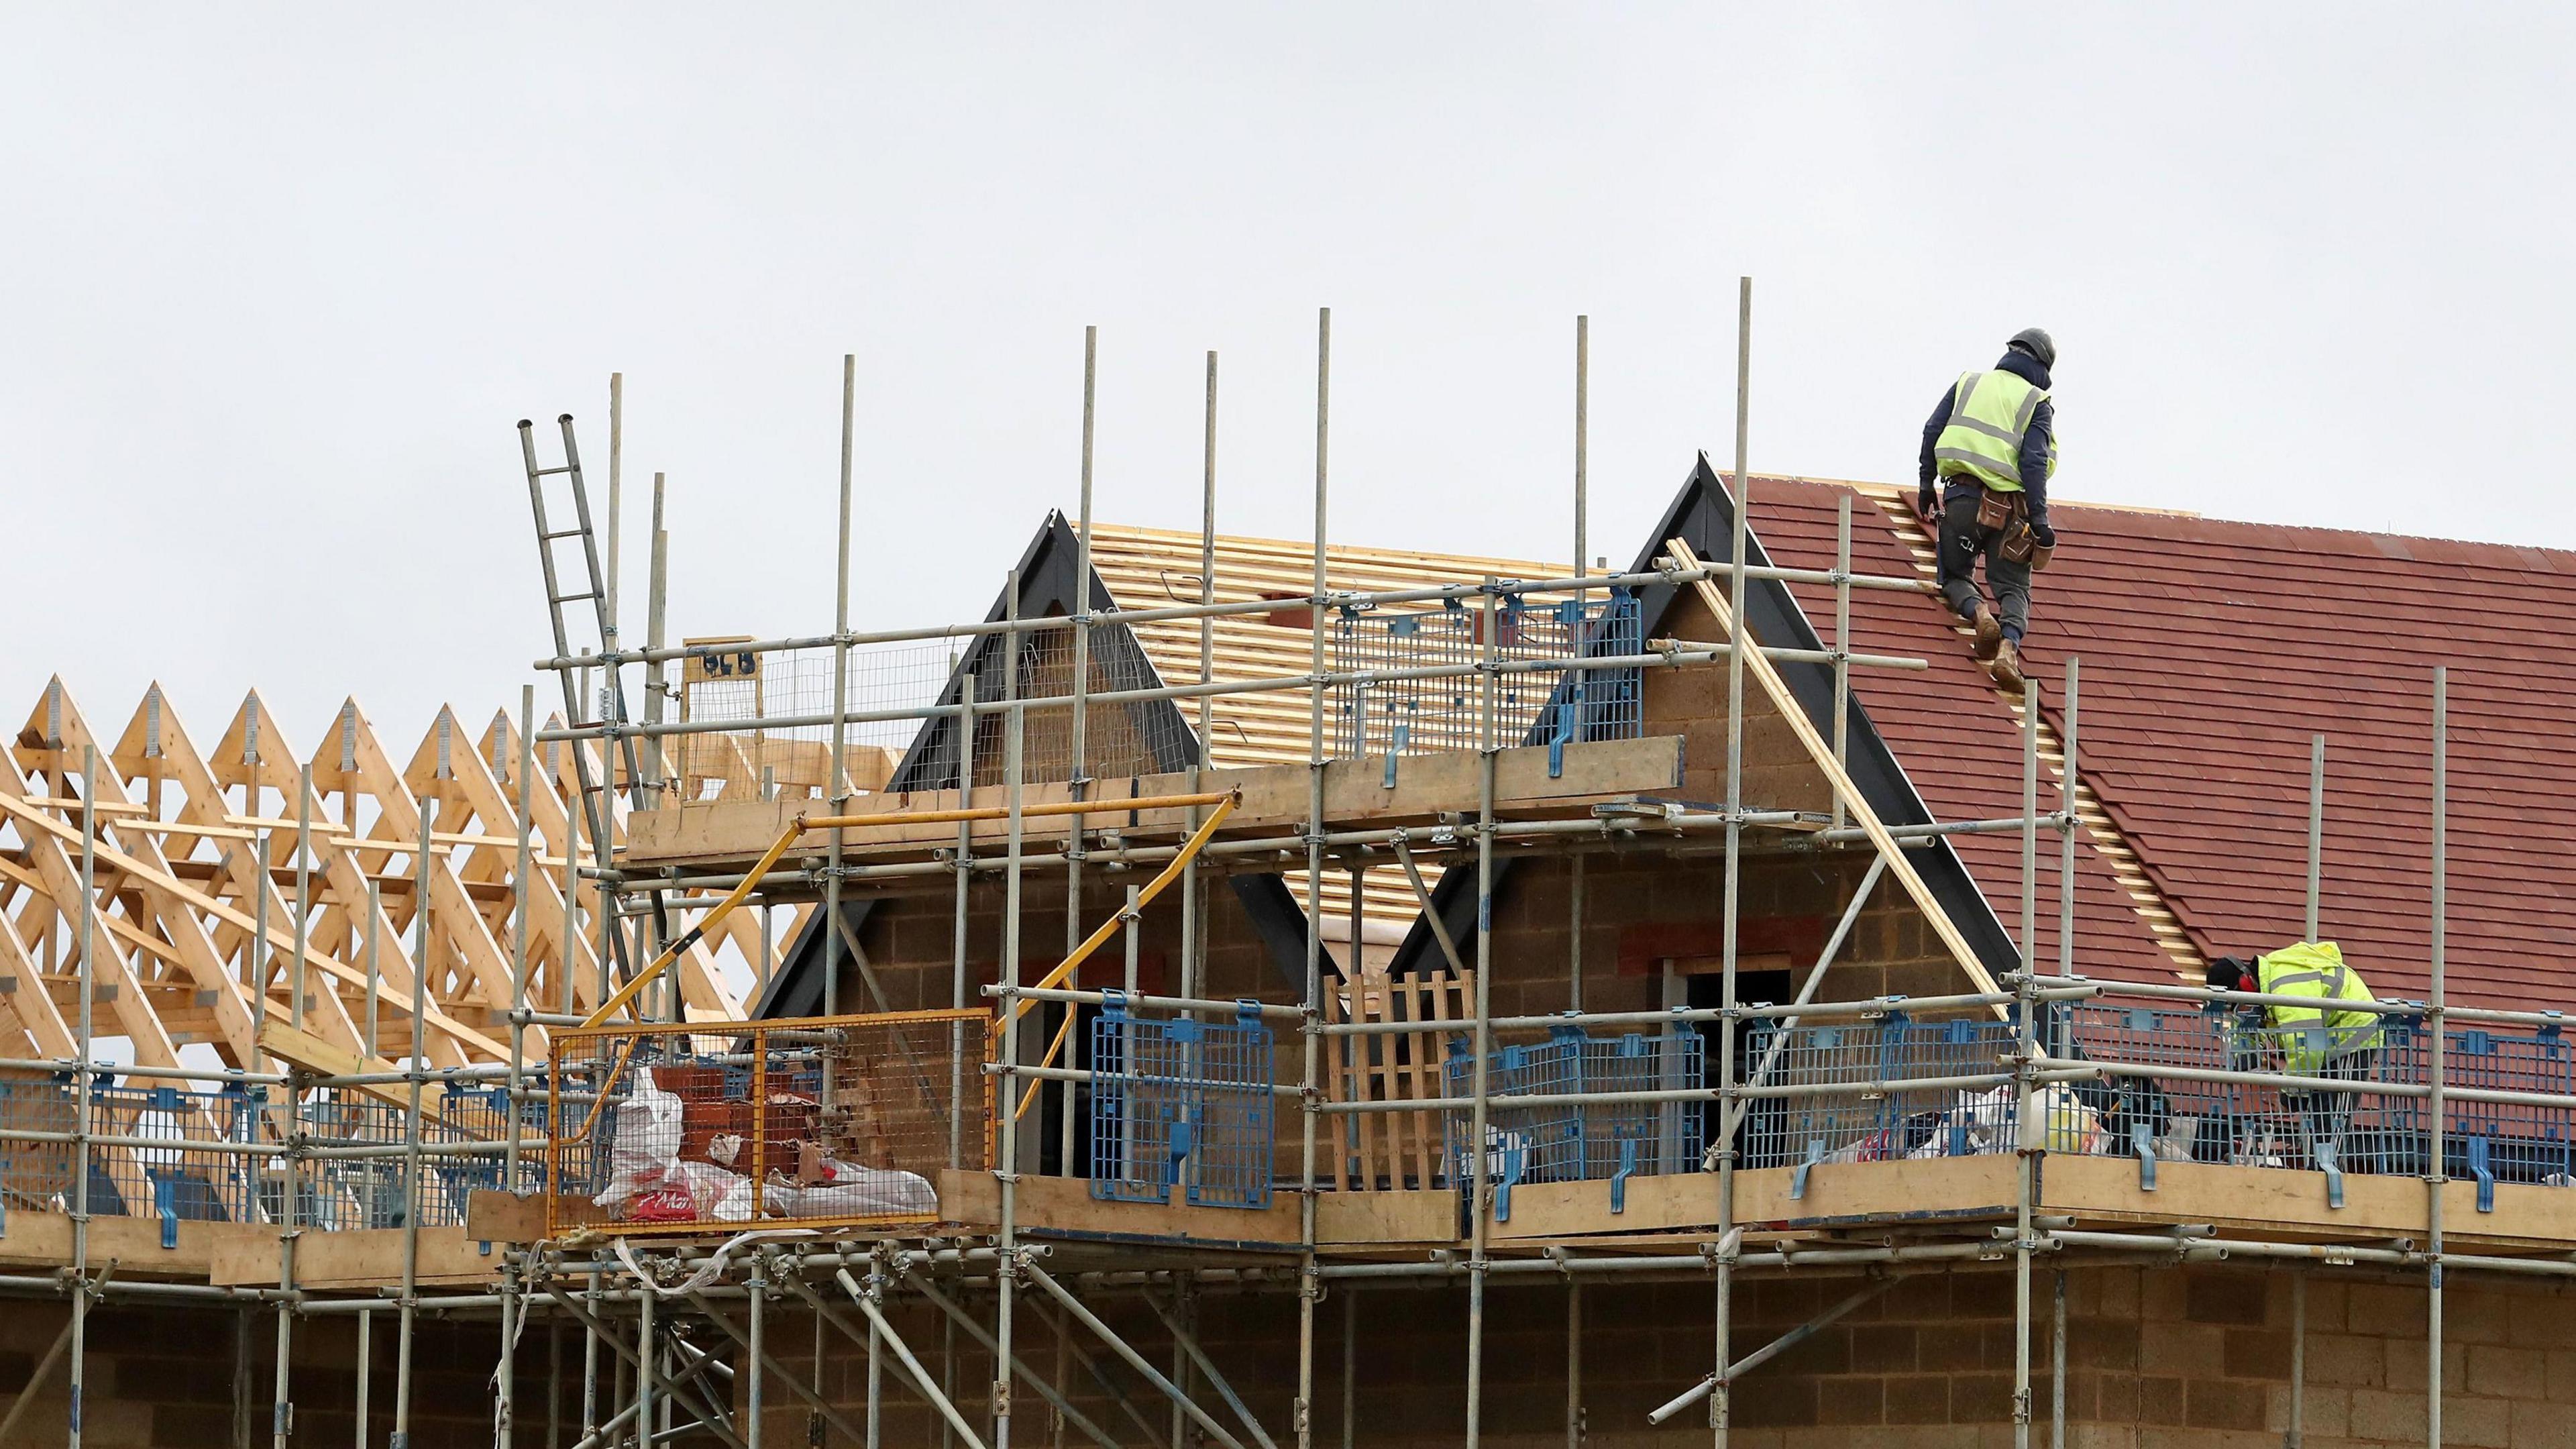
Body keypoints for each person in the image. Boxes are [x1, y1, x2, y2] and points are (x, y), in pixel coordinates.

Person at [1916, 327, 2059, 692]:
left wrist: (1925, 483)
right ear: (2043, 367)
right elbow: (2034, 461)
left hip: (1962, 499)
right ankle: (2008, 651)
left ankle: (1980, 615)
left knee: (1955, 575)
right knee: (2013, 585)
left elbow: (1933, 429)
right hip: (2010, 512)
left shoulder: (1969, 383)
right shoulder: (2036, 401)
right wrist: (2040, 520)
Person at [2206, 944, 2385, 1172]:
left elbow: (2306, 1046)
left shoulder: (2286, 985)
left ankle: (2327, 1173)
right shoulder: (2270, 987)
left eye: (2239, 1003)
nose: (2243, 1009)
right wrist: (2244, 1056)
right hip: (2330, 1039)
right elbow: (2269, 1031)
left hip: (2352, 1036)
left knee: (2331, 1113)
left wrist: (2292, 1091)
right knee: (2317, 1115)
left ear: (2245, 984)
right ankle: (2318, 1170)